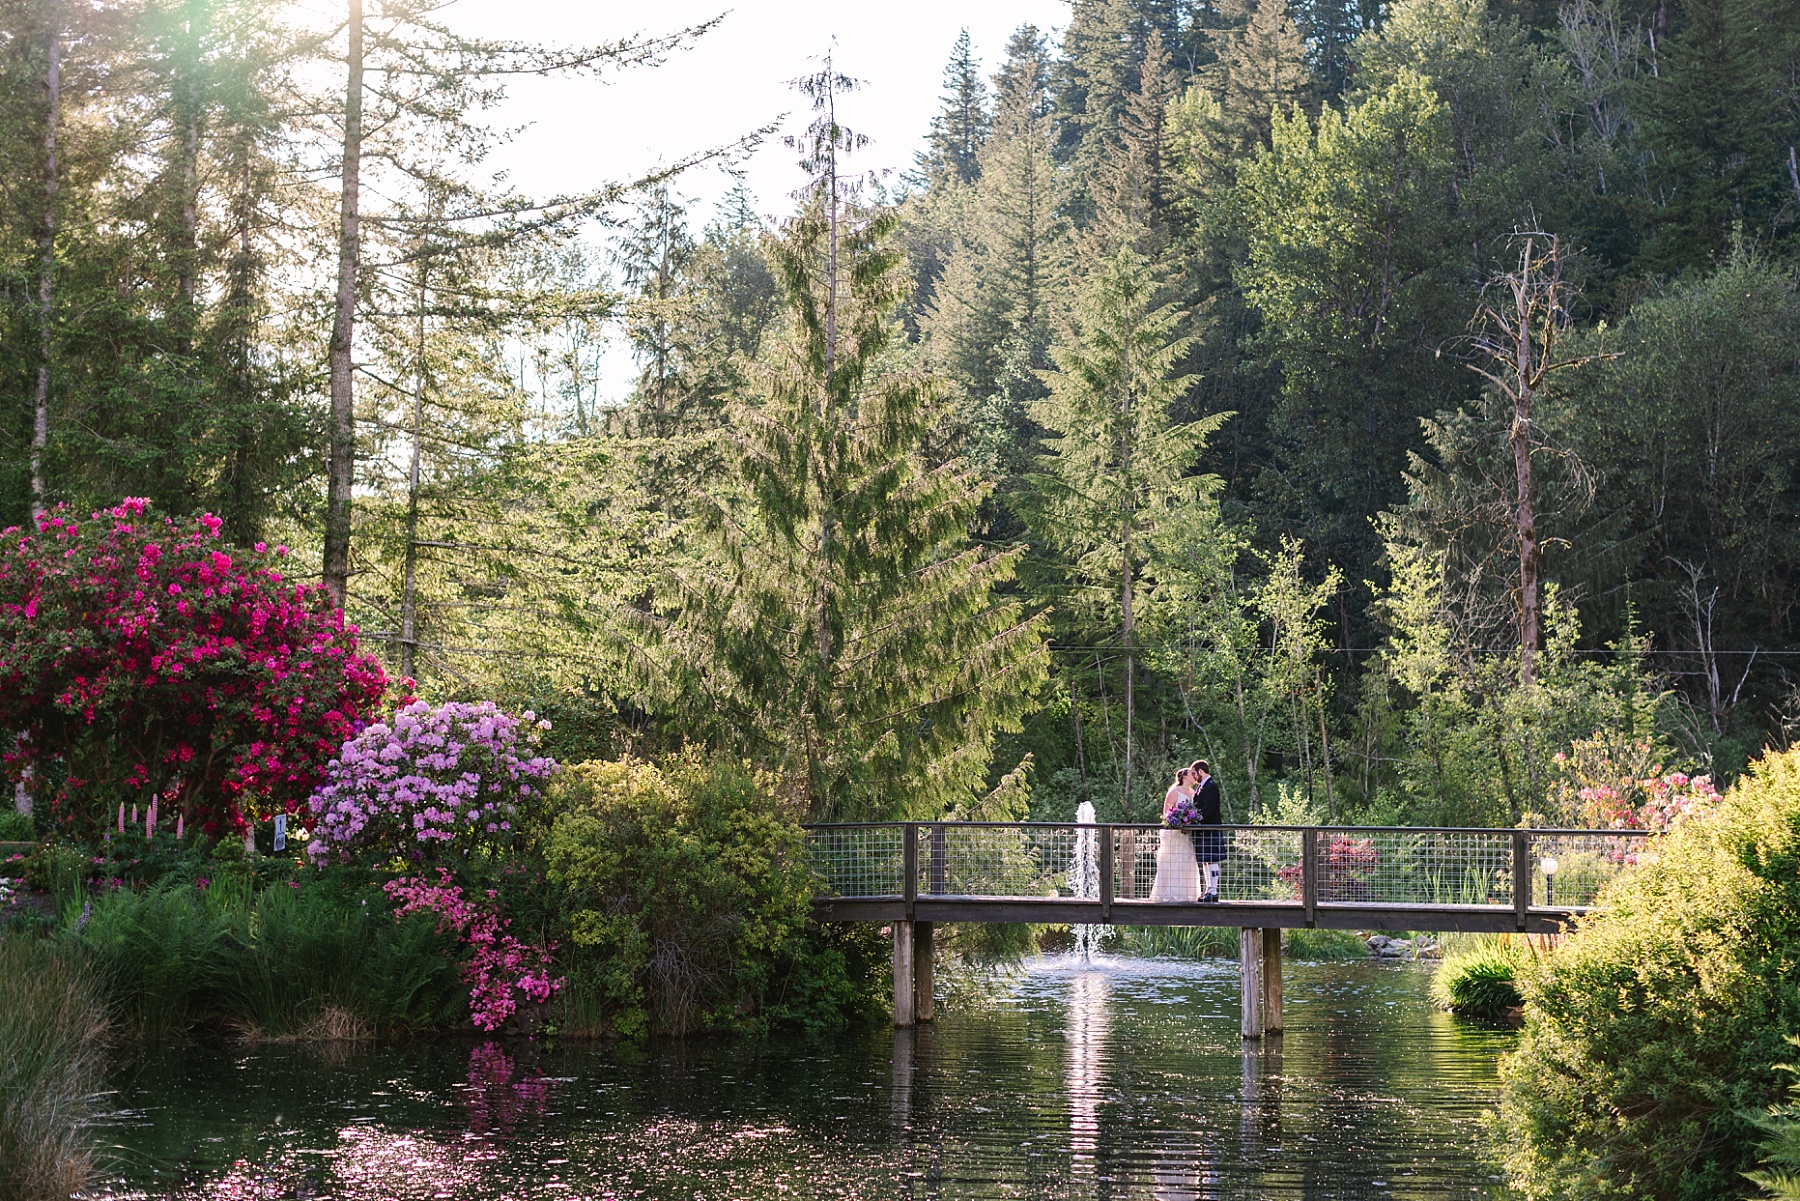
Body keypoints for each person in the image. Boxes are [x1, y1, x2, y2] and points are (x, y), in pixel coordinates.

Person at [1148, 768, 1201, 902]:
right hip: (1174, 833)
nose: (1194, 776)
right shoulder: (1174, 791)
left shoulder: (1192, 793)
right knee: (1171, 861)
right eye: (1192, 774)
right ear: (1184, 776)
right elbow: (1166, 813)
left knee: (1186, 860)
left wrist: (1190, 819)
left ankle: (1186, 895)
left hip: (1186, 834)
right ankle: (1169, 894)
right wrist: (1177, 819)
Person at [1191, 760, 1225, 902]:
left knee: (1212, 860)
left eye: (1194, 773)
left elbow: (1209, 810)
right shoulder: (1202, 787)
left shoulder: (1211, 786)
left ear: (1201, 771)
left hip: (1210, 828)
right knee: (1206, 861)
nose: (1193, 776)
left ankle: (1213, 891)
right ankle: (1209, 889)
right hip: (1204, 830)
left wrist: (1195, 819)